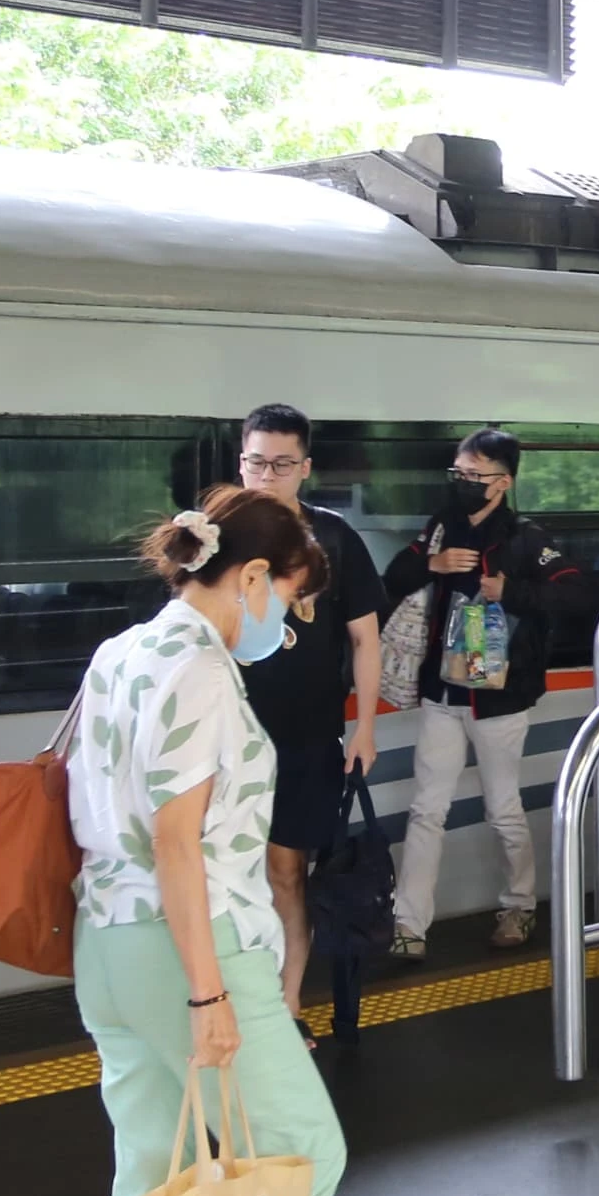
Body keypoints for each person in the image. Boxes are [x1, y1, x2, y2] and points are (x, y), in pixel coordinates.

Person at [64, 486, 342, 1196]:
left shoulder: (120, 654)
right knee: (300, 1145)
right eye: (291, 598)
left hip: (105, 936)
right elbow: (178, 841)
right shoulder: (198, 671)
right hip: (190, 946)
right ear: (253, 577)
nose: (289, 620)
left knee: (150, 1178)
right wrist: (208, 995)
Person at [382, 430, 574, 959]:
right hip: (443, 693)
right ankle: (410, 926)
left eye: (475, 475)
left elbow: (576, 593)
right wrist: (432, 564)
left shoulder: (526, 538)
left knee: (502, 806)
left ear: (504, 482)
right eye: (458, 474)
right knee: (427, 809)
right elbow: (394, 575)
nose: (463, 483)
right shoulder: (441, 528)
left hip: (499, 697)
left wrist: (509, 591)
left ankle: (518, 904)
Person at [232, 408, 387, 994]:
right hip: (223, 739)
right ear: (240, 462)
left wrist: (364, 728)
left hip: (306, 738)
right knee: (223, 875)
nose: (267, 476)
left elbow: (364, 638)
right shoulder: (216, 538)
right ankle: (226, 999)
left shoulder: (334, 538)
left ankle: (286, 1001)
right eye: (256, 463)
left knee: (286, 872)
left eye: (281, 464)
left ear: (306, 468)